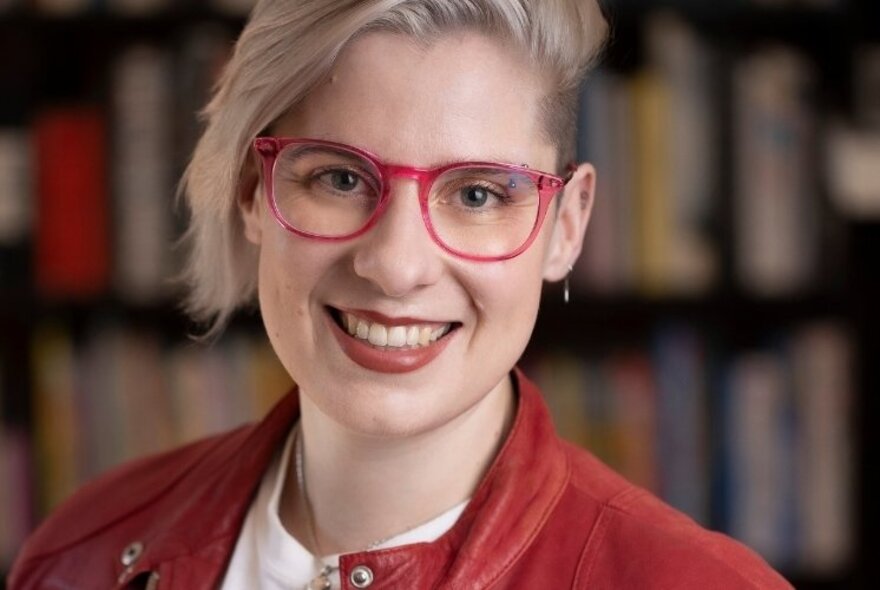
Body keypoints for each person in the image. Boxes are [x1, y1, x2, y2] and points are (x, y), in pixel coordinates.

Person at [9, 1, 793, 588]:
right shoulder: (80, 554)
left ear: (565, 225)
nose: (396, 265)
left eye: (480, 194)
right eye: (341, 179)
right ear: (254, 192)